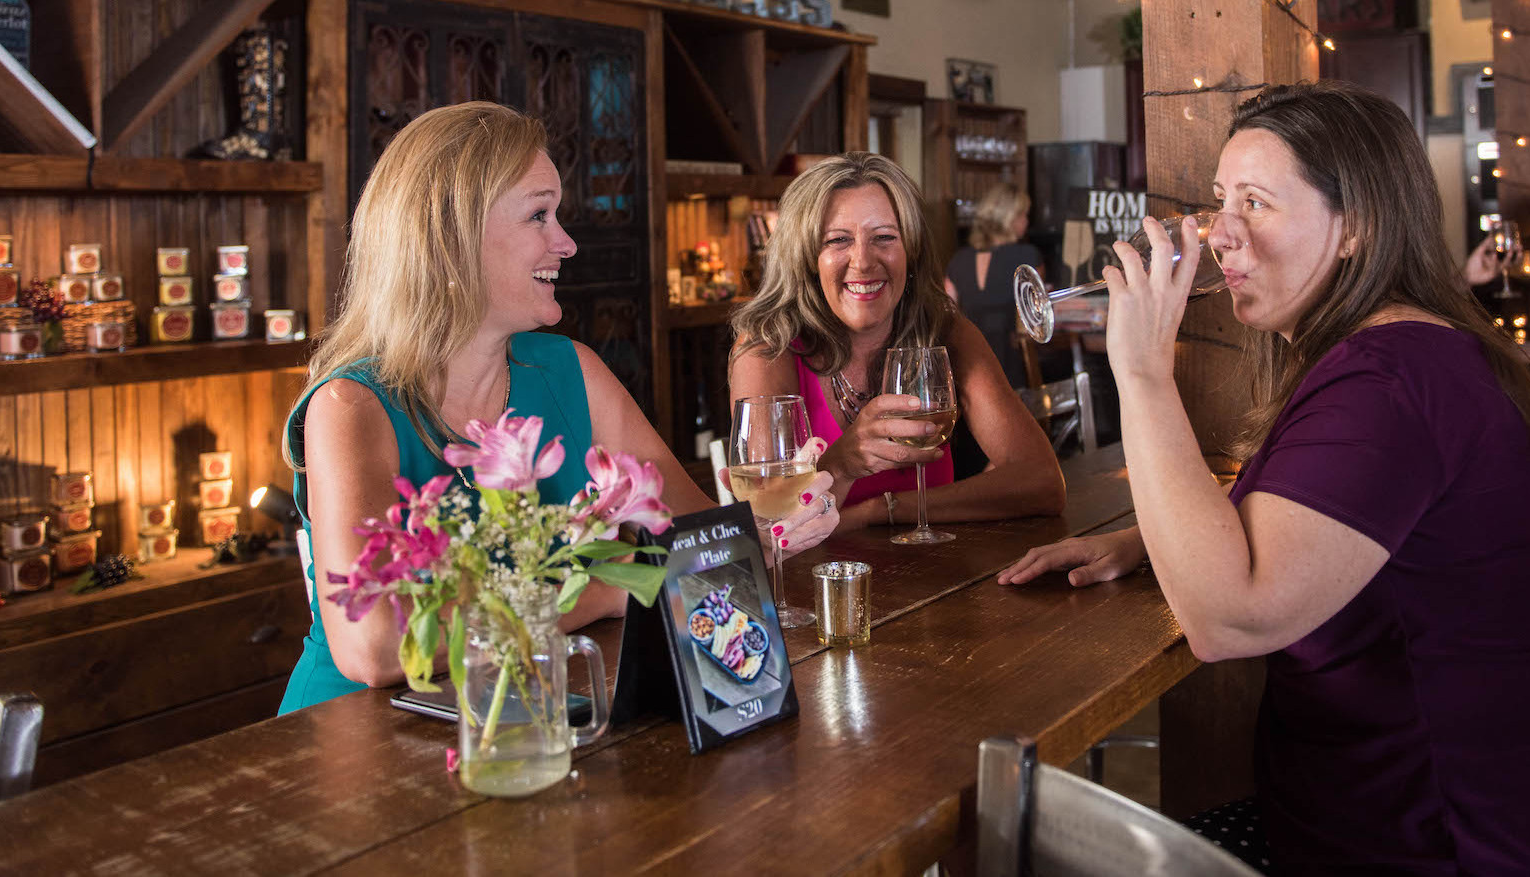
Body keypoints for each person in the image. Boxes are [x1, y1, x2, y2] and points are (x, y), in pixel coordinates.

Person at [999, 82, 1530, 876]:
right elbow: (1319, 524)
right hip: (1371, 815)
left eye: (1256, 203)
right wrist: (1150, 538)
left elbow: (1230, 619)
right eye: (1221, 200)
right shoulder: (1387, 355)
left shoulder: (1389, 380)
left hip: (1449, 839)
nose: (1219, 235)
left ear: (1357, 225)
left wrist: (1143, 374)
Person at [279, 102, 838, 713]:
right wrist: (600, 592)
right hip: (353, 743)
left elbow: (694, 540)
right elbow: (378, 648)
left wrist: (768, 529)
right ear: (450, 237)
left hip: (543, 713)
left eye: (559, 214)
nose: (566, 243)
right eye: (538, 215)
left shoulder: (570, 369)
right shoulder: (350, 405)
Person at [729, 152, 1066, 533]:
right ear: (807, 257)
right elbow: (771, 523)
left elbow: (1043, 483)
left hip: (934, 580)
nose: (863, 261)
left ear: (912, 250)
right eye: (838, 240)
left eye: (885, 237)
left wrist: (880, 509)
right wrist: (842, 464)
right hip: (815, 587)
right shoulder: (769, 346)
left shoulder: (944, 330)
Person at [943, 181, 1047, 390]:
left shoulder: (958, 261)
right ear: (1009, 218)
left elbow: (946, 318)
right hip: (1015, 369)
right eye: (1023, 214)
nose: (1026, 221)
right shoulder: (1028, 257)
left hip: (967, 371)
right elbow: (1034, 322)